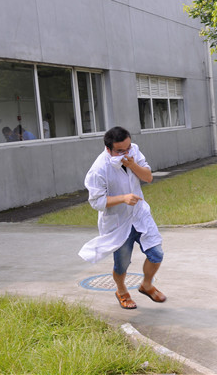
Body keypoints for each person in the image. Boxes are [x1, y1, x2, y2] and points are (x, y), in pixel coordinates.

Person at [79, 126, 166, 309]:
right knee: (122, 264)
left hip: (140, 215)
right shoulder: (99, 169)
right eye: (120, 151)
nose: (125, 153)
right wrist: (123, 198)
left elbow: (148, 177)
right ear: (108, 149)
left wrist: (132, 164)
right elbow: (96, 202)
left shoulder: (133, 151)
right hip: (118, 222)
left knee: (156, 254)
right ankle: (121, 290)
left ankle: (146, 285)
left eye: (128, 148)